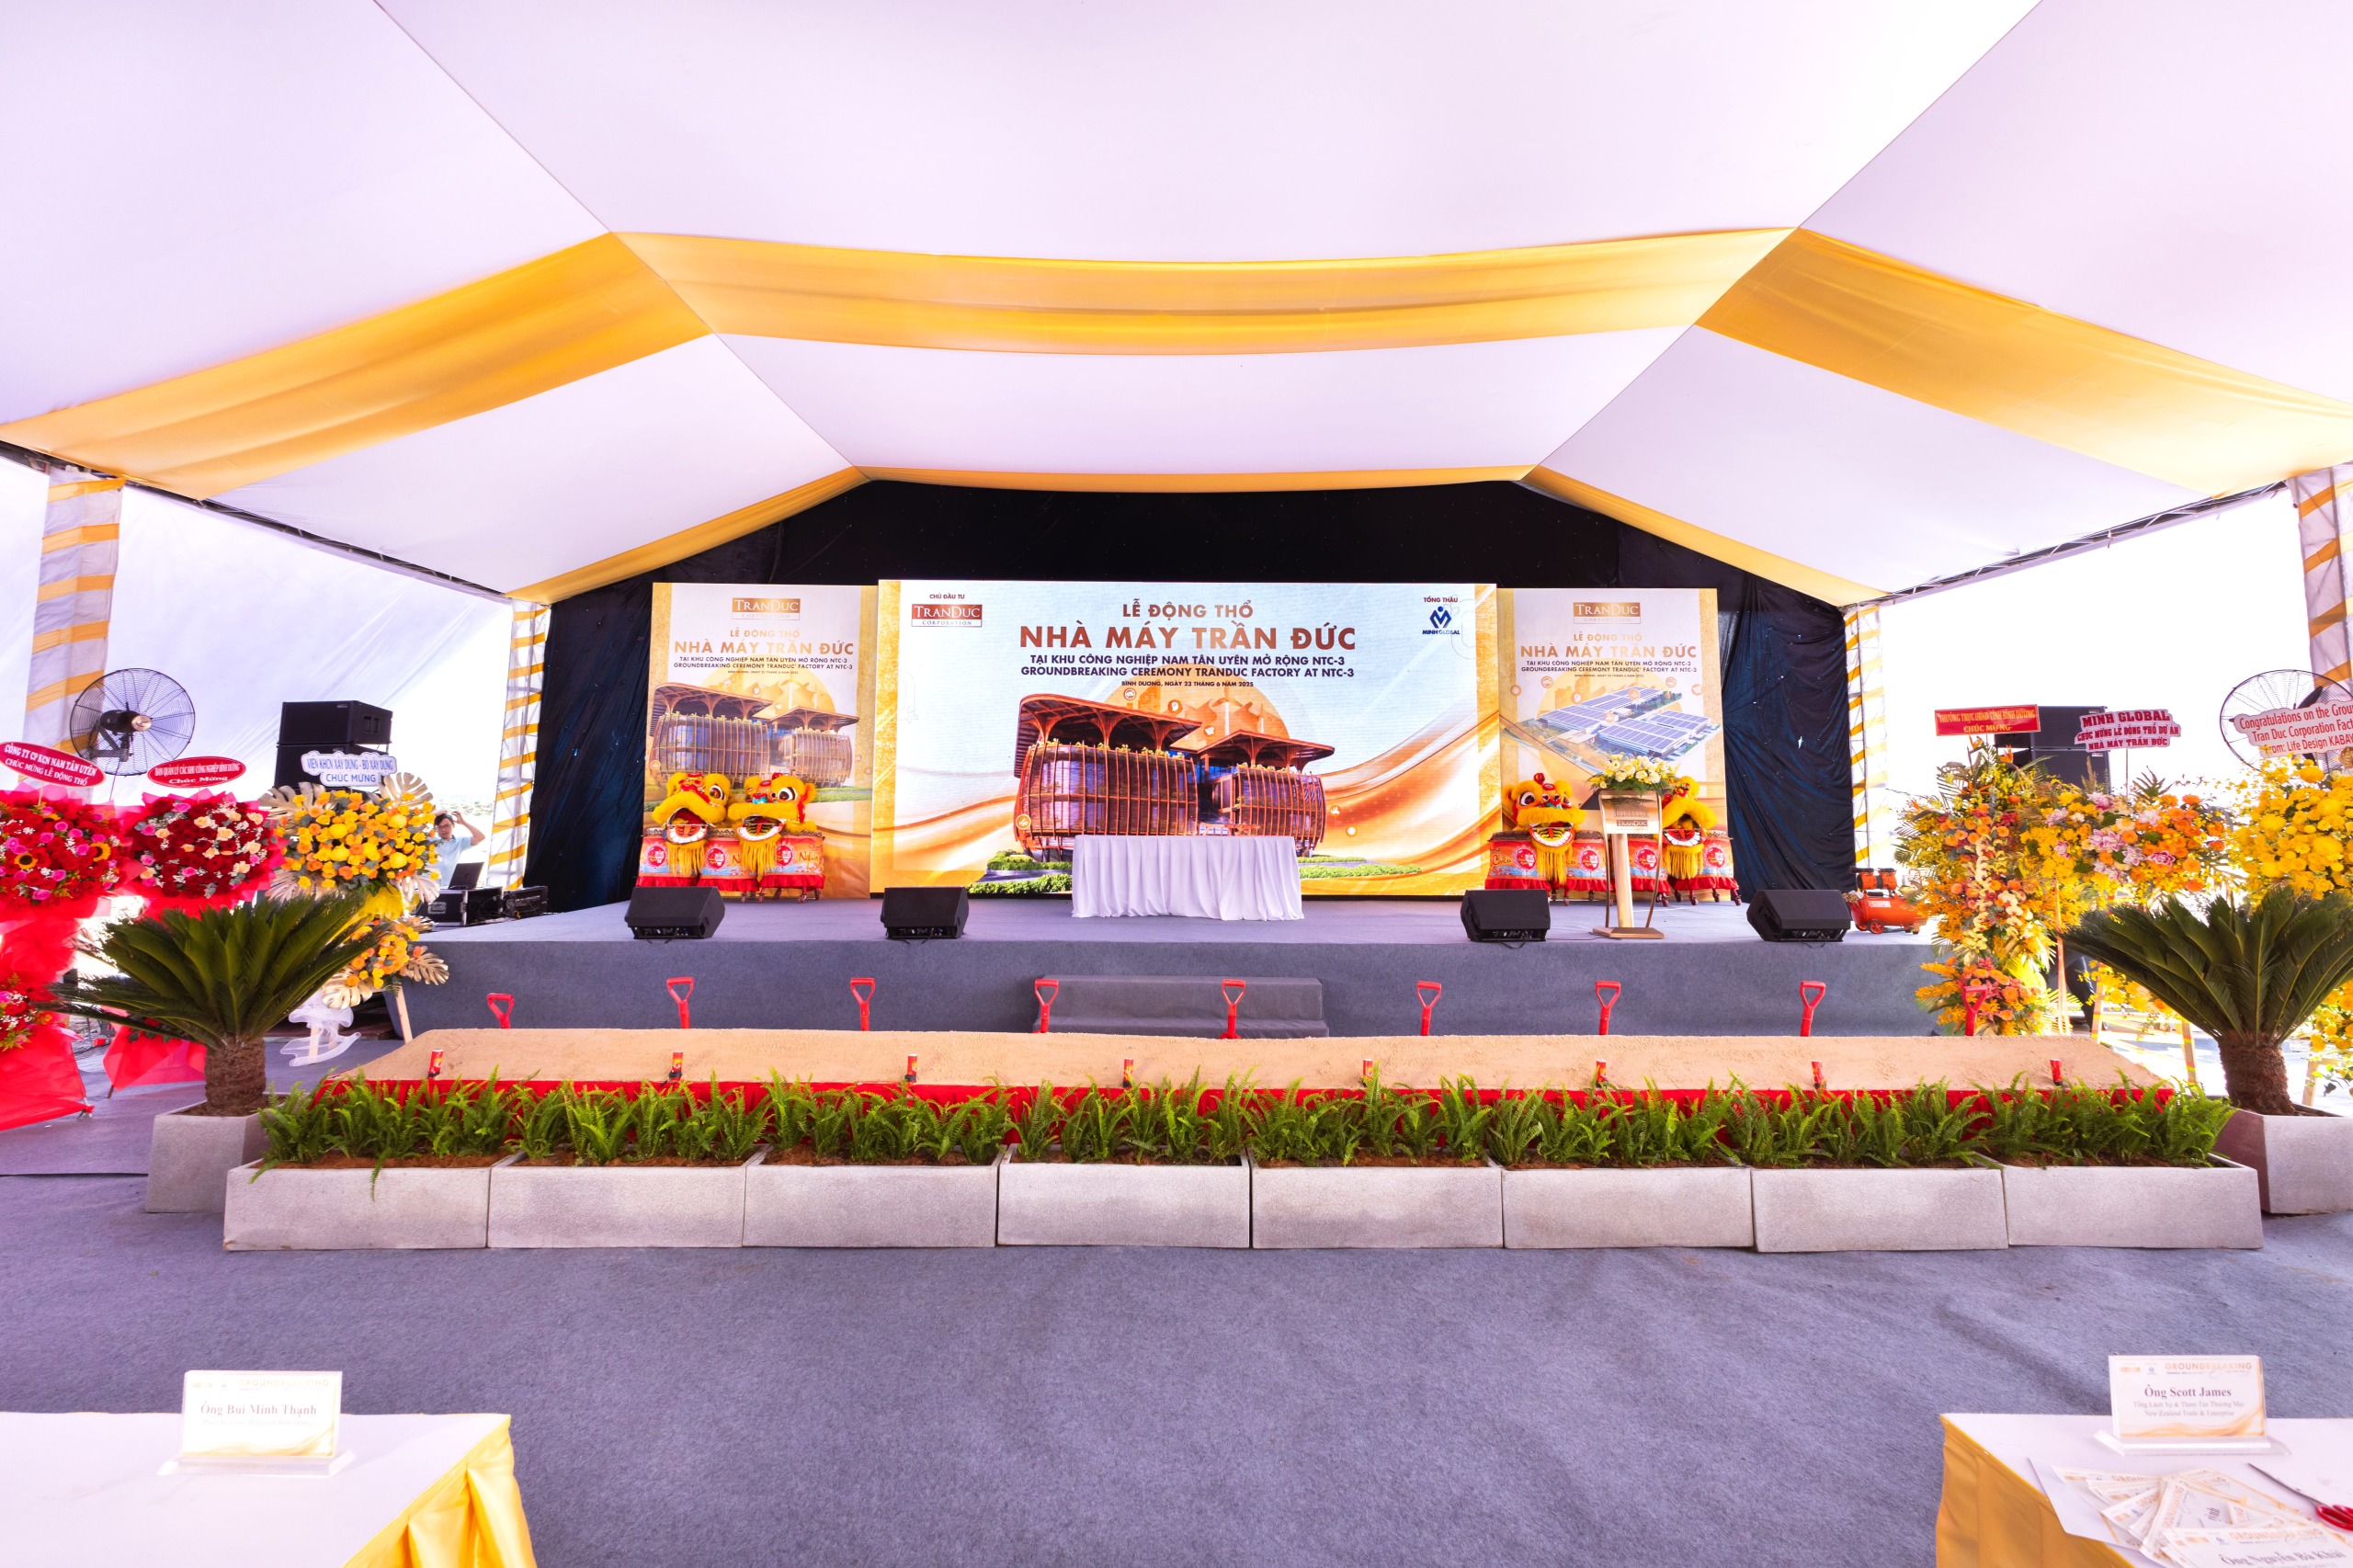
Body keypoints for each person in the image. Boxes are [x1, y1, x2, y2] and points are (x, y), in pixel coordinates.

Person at [423, 810, 484, 899]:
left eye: (447, 826)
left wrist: (464, 823)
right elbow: (413, 828)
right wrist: (433, 814)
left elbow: (480, 837)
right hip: (427, 889)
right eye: (440, 827)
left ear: (453, 825)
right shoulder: (430, 840)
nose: (444, 829)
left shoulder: (460, 842)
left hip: (448, 889)